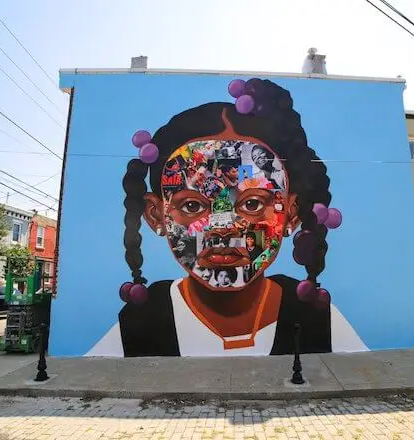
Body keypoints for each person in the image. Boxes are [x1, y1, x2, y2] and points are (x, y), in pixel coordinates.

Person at [88, 78, 367, 357]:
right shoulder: (139, 323)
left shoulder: (319, 319)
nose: (222, 227)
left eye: (253, 203)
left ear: (290, 214)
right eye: (193, 207)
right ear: (156, 215)